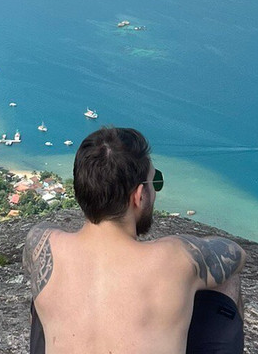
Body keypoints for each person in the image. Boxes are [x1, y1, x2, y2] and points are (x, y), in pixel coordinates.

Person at [22, 126, 245, 354]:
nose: (155, 191)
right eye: (154, 182)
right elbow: (236, 255)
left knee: (43, 291)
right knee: (227, 280)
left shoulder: (40, 240)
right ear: (138, 196)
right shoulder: (176, 257)